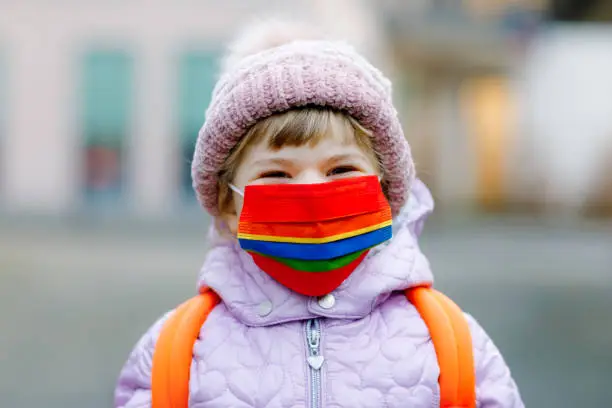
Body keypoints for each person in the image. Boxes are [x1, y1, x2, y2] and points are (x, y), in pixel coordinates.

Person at [114, 18, 524, 408]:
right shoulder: (176, 356)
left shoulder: (452, 346)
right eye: (276, 173)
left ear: (385, 188)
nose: (311, 189)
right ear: (227, 202)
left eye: (341, 169)